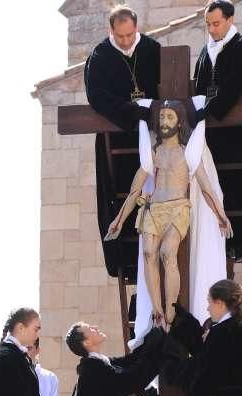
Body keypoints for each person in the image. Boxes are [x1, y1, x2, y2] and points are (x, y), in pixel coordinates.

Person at [106, 99, 232, 327]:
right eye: (162, 117)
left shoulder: (189, 153)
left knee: (167, 252)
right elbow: (136, 189)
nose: (164, 121)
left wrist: (221, 215)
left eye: (169, 117)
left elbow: (206, 187)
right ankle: (157, 310)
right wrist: (118, 219)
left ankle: (171, 310)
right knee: (147, 253)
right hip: (154, 208)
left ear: (179, 122)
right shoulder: (153, 153)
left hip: (178, 208)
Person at [194, 0, 242, 262]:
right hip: (214, 132)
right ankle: (216, 239)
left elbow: (235, 86)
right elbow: (200, 85)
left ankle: (237, 243)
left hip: (236, 129)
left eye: (216, 23)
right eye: (208, 24)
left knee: (239, 184)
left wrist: (208, 110)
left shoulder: (241, 47)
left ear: (230, 20)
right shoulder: (206, 51)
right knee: (215, 182)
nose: (212, 29)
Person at [84, 5, 160, 278]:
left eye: (130, 35)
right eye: (120, 36)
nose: (126, 41)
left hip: (151, 140)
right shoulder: (100, 56)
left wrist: (147, 113)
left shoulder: (153, 50)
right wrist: (133, 112)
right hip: (115, 140)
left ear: (136, 28)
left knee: (152, 196)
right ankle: (127, 263)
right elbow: (97, 97)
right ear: (111, 31)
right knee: (121, 200)